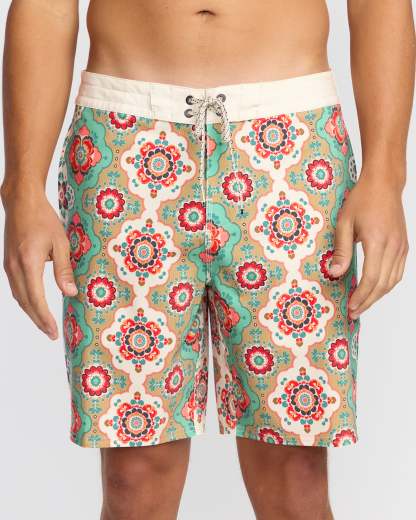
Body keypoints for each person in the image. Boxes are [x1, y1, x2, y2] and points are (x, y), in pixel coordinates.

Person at [1, 1, 414, 519]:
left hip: (290, 138)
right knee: (133, 476)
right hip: (123, 136)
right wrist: (22, 189)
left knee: (295, 472)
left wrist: (386, 177)